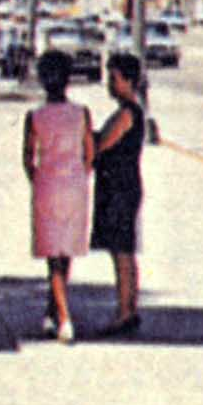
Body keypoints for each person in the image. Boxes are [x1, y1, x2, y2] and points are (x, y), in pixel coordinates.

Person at [22, 49, 93, 342]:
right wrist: (80, 174)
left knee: (53, 255)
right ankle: (52, 312)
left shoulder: (35, 116)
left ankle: (64, 319)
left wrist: (38, 179)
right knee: (66, 252)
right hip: (75, 185)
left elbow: (28, 158)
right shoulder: (82, 114)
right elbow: (89, 153)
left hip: (47, 186)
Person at [91, 50, 149, 334]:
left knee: (122, 251)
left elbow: (102, 143)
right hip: (122, 186)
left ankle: (125, 311)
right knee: (122, 250)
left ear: (128, 80)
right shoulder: (131, 111)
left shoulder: (127, 113)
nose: (109, 84)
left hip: (120, 188)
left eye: (114, 78)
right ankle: (128, 308)